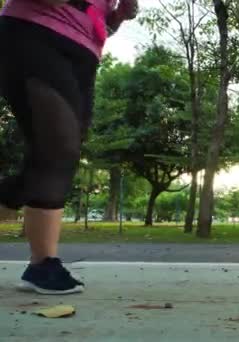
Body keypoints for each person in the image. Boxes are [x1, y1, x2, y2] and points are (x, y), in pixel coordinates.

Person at [0, 0, 138, 295]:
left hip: (84, 55)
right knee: (59, 147)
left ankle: (40, 267)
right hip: (34, 34)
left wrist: (119, 16)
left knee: (56, 157)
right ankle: (43, 264)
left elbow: (97, 21)